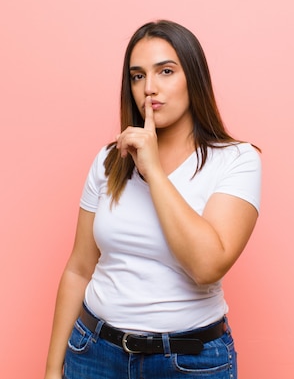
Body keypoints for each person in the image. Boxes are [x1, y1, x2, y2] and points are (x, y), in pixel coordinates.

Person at [44, 19, 261, 379]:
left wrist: (153, 171)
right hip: (94, 354)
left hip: (189, 363)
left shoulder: (237, 160)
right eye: (138, 76)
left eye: (166, 71)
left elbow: (207, 266)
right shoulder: (110, 160)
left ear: (194, 77)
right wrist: (52, 370)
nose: (150, 88)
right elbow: (79, 268)